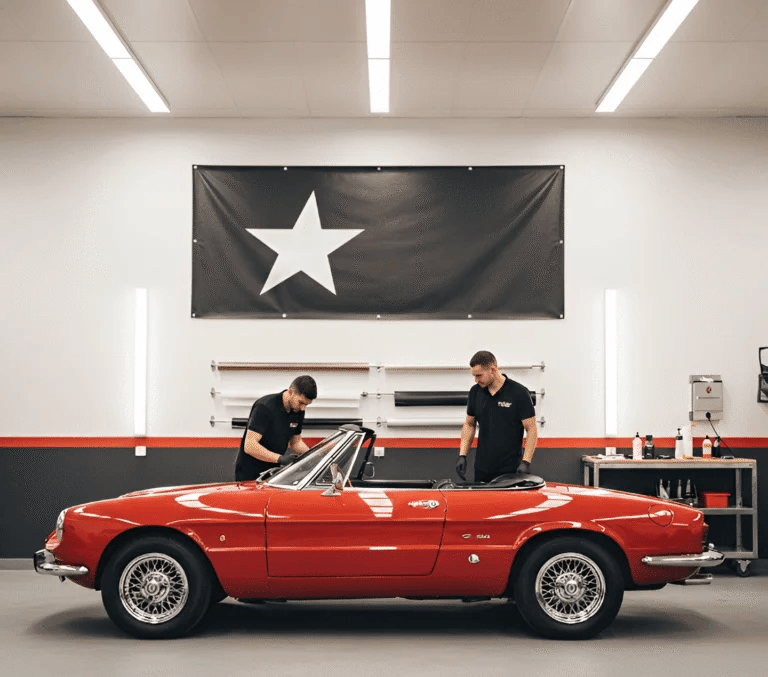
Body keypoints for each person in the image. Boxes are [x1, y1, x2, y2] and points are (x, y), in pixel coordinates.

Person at [456, 350, 538, 483]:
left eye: (479, 375)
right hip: (482, 468)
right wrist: (462, 455)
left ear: (493, 370)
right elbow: (470, 424)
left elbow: (531, 428)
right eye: (474, 376)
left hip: (511, 470)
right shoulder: (475, 392)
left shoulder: (519, 393)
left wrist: (526, 461)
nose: (476, 380)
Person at [234, 375, 317, 481]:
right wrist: (280, 459)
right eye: (301, 402)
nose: (303, 408)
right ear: (291, 392)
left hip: (272, 472)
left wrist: (313, 457)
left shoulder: (298, 411)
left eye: (306, 405)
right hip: (249, 472)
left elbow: (296, 443)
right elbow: (250, 446)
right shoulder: (265, 406)